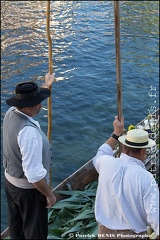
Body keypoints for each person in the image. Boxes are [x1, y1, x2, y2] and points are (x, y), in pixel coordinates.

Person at [3, 73, 57, 239]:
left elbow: (35, 94)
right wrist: (49, 194)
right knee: (35, 232)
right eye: (36, 103)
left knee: (17, 227)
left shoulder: (11, 112)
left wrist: (46, 84)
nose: (40, 106)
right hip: (28, 191)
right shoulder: (29, 133)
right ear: (26, 106)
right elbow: (33, 175)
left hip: (10, 183)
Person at [93, 116, 159, 239]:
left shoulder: (105, 162)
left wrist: (116, 133)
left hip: (104, 233)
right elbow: (155, 219)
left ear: (124, 146)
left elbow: (102, 151)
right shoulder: (147, 178)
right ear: (143, 152)